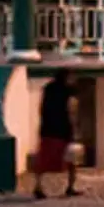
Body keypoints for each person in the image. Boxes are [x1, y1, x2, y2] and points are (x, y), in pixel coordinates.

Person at [33, 69, 81, 199]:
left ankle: (38, 186)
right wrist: (75, 128)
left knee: (43, 160)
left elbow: (41, 108)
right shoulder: (69, 91)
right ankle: (70, 187)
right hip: (63, 129)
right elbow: (72, 109)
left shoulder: (48, 89)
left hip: (47, 129)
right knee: (71, 160)